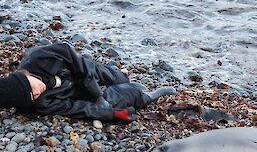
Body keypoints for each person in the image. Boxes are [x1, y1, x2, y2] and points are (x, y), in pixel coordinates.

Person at [0, 42, 176, 123]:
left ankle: (123, 83)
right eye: (33, 97)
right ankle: (147, 96)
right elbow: (78, 109)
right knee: (124, 96)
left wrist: (97, 95)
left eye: (32, 90)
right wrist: (113, 114)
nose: (37, 94)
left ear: (24, 77)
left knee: (118, 78)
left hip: (83, 73)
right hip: (78, 94)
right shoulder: (39, 104)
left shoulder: (39, 56)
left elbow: (69, 52)